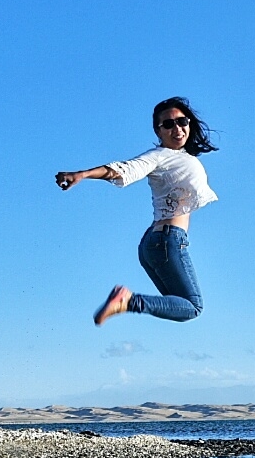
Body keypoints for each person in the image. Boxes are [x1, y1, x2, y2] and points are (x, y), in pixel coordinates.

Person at [55, 97, 219, 325]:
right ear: (158, 131)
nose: (177, 128)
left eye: (182, 121)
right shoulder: (159, 156)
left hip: (153, 243)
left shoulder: (180, 157)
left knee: (178, 304)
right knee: (193, 307)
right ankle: (129, 300)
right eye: (168, 124)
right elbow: (125, 169)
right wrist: (83, 174)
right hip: (167, 241)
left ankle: (129, 301)